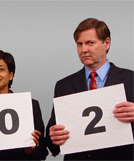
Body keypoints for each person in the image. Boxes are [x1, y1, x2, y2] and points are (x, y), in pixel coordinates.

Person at [45, 18, 134, 160]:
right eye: (79, 44)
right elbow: (52, 143)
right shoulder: (64, 85)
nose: (83, 50)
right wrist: (53, 137)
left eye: (90, 43)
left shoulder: (131, 80)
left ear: (106, 43)